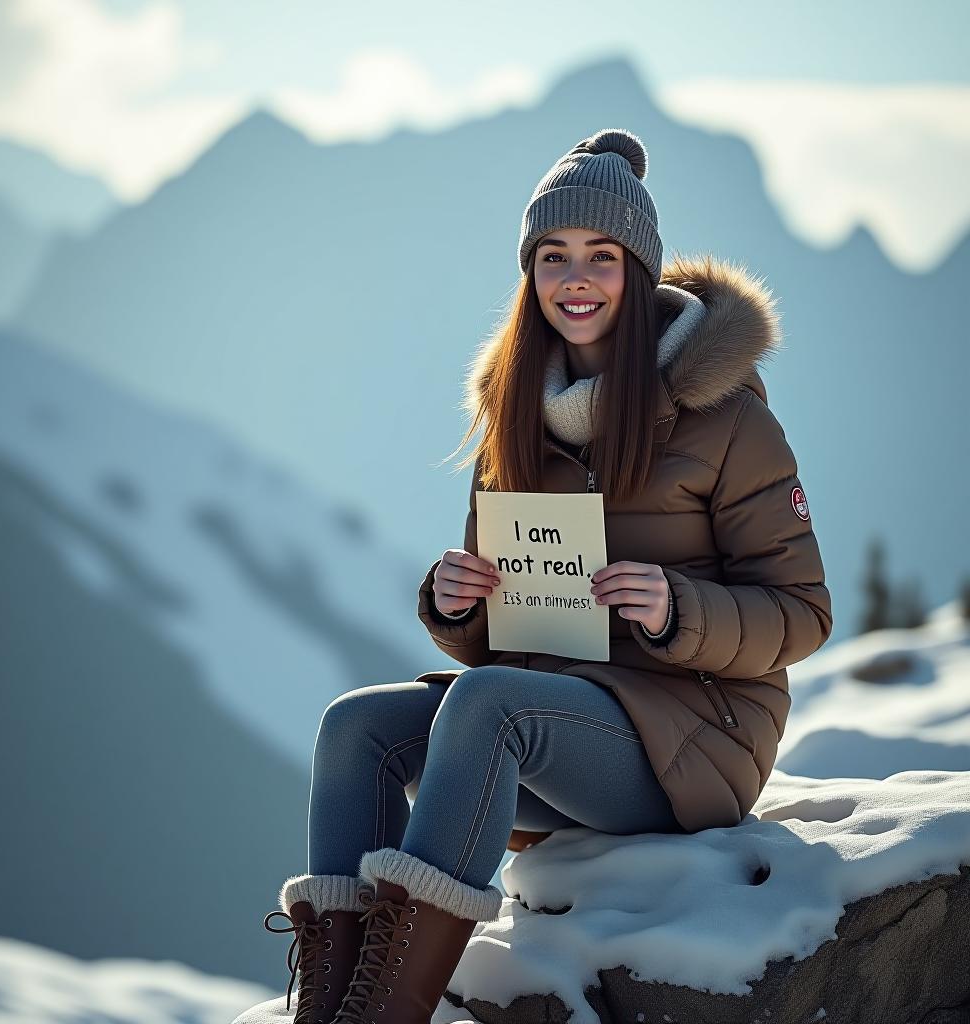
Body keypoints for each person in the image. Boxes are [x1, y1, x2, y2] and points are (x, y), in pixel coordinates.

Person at [256, 128, 832, 1024]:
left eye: (601, 257)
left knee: (488, 702)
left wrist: (678, 607)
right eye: (553, 256)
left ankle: (388, 1015)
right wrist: (456, 607)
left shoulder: (729, 421)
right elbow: (507, 627)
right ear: (529, 274)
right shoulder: (515, 419)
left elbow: (803, 613)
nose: (575, 278)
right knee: (356, 726)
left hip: (697, 736)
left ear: (639, 273)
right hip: (555, 721)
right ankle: (329, 1006)